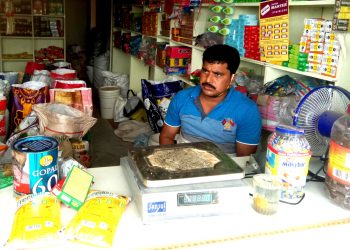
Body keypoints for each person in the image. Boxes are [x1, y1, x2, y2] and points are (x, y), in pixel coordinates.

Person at [159, 44, 262, 156]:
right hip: (183, 165)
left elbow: (244, 159)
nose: (208, 79)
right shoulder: (182, 98)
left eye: (217, 74)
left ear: (232, 78)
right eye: (205, 71)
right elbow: (167, 136)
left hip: (224, 171)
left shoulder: (247, 110)